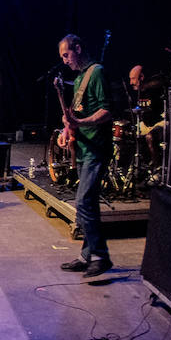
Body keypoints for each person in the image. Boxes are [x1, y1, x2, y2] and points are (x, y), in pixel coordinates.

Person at [58, 34, 114, 278]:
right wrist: (66, 128)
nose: (65, 61)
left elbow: (106, 111)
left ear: (78, 49)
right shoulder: (80, 78)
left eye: (66, 55)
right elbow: (75, 113)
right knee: (87, 204)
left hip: (96, 148)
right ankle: (86, 255)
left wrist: (79, 123)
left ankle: (100, 256)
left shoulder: (97, 72)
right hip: (82, 149)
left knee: (83, 202)